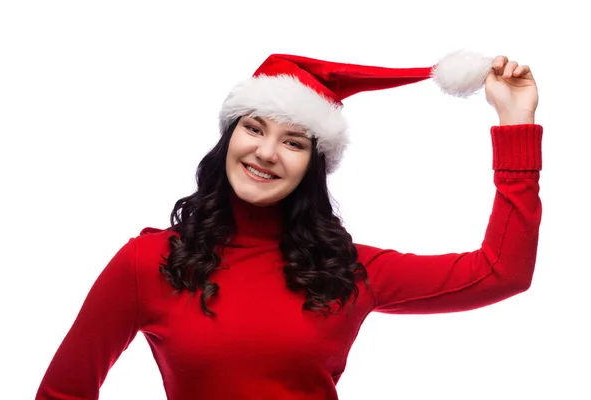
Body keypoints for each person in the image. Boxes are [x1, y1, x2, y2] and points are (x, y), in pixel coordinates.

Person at [36, 50, 542, 400]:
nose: (266, 152)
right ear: (229, 139)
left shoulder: (347, 270)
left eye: (294, 142)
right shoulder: (149, 263)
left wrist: (515, 123)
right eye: (253, 128)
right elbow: (63, 391)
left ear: (313, 166)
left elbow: (501, 272)